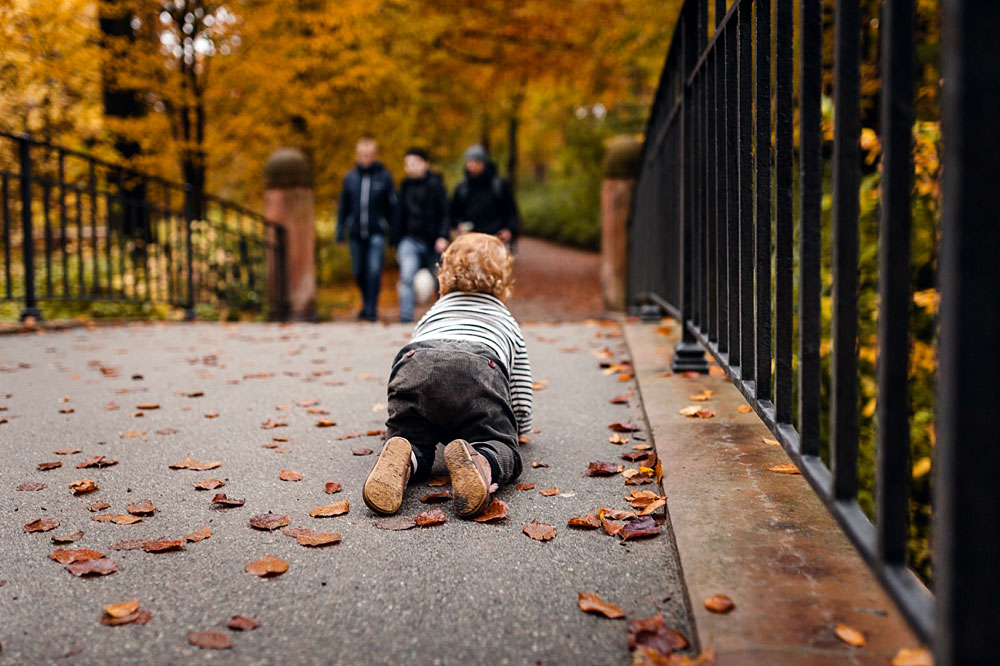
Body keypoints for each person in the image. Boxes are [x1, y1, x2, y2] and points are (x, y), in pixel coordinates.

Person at [362, 232, 533, 518]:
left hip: (415, 364)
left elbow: (415, 348)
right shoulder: (505, 318)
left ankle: (404, 457)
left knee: (415, 440)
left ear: (444, 277)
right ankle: (483, 461)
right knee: (503, 448)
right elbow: (520, 389)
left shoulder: (434, 311)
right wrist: (520, 427)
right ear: (503, 283)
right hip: (478, 370)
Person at [336, 136, 397, 321]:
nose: (366, 158)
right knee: (358, 271)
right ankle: (365, 303)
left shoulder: (384, 177)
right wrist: (340, 231)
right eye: (363, 154)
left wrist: (393, 234)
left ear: (375, 155)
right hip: (355, 232)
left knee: (373, 270)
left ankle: (371, 309)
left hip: (376, 232)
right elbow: (343, 207)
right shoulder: (350, 178)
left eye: (369, 154)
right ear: (358, 155)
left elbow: (392, 208)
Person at [393, 147, 450, 323]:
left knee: (440, 280)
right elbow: (398, 215)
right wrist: (396, 240)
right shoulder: (404, 187)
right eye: (407, 164)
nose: (410, 167)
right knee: (407, 277)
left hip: (433, 241)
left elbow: (445, 213)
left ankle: (442, 319)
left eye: (414, 163)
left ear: (425, 164)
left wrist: (442, 236)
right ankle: (405, 318)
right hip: (409, 240)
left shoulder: (436, 185)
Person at [450, 145, 519, 244]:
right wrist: (459, 224)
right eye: (469, 161)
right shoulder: (462, 187)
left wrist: (509, 229)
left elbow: (511, 211)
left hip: (496, 238)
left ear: (483, 163)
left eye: (475, 161)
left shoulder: (498, 185)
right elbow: (453, 213)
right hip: (470, 240)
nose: (471, 165)